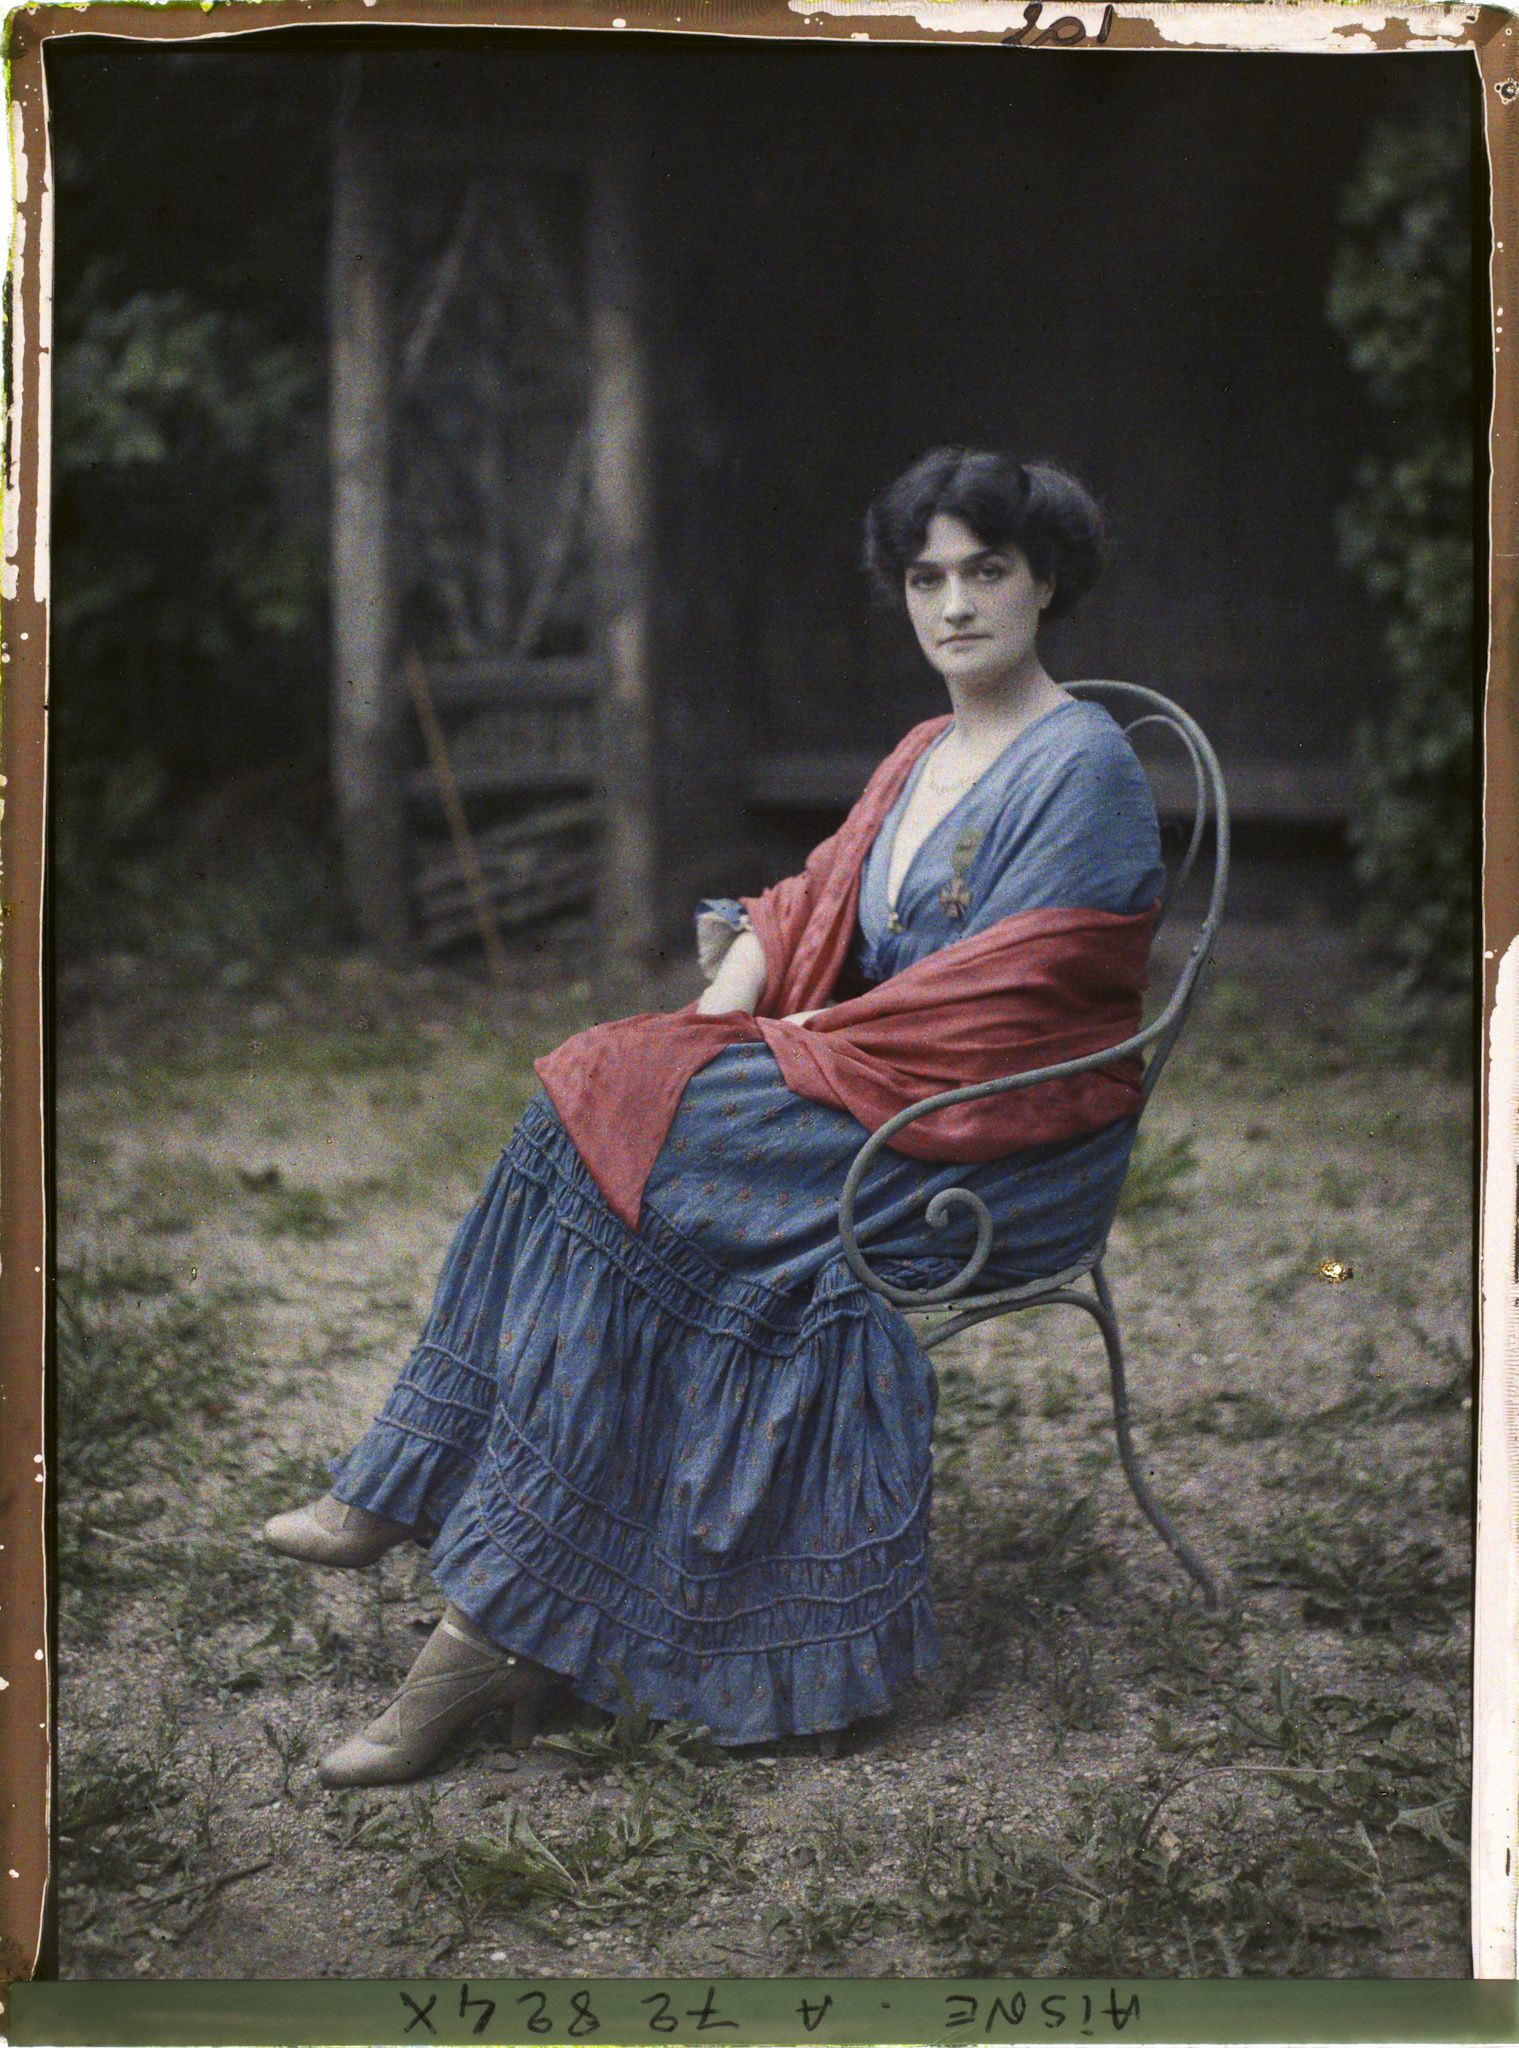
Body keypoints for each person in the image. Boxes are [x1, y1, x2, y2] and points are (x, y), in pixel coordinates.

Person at [263, 448, 1165, 1786]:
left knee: (625, 1141)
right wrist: (724, 1015)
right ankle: (483, 1587)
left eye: (987, 570)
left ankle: (460, 1565)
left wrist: (796, 1045)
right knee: (614, 1116)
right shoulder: (927, 750)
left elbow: (1019, 1004)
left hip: (996, 1136)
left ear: (1048, 581)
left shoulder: (1081, 762)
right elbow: (807, 901)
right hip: (882, 1086)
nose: (955, 604)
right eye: (926, 577)